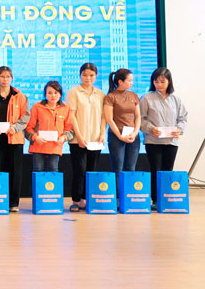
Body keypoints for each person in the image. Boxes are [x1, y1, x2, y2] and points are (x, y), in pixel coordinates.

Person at [0, 66, 29, 212]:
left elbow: (25, 116)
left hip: (14, 138)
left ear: (12, 78)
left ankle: (13, 203)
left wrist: (14, 128)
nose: (5, 79)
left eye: (8, 76)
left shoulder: (20, 96)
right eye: (2, 76)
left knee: (14, 171)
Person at [140, 67, 187, 209]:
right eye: (156, 81)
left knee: (168, 169)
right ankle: (155, 200)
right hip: (153, 141)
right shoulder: (147, 98)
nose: (159, 84)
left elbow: (183, 118)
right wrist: (150, 128)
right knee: (156, 169)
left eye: (162, 81)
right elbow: (141, 119)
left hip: (171, 141)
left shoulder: (176, 99)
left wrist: (179, 130)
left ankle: (167, 198)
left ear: (169, 82)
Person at [66, 63, 106, 212]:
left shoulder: (100, 94)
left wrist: (102, 134)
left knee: (91, 170)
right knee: (79, 170)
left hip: (95, 139)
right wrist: (79, 136)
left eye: (91, 75)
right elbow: (72, 116)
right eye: (85, 75)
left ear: (96, 76)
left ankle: (88, 198)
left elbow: (103, 117)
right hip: (78, 140)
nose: (88, 78)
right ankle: (76, 200)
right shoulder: (74, 92)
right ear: (80, 75)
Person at [25, 81, 73, 173]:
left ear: (60, 94)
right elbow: (29, 127)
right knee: (38, 170)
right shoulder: (37, 107)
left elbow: (69, 128)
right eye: (50, 93)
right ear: (45, 94)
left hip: (55, 146)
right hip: (38, 145)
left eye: (56, 93)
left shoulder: (66, 108)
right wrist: (35, 137)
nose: (53, 95)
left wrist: (64, 137)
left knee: (53, 170)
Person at [104, 68, 141, 174]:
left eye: (132, 80)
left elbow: (138, 116)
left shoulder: (133, 95)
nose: (131, 83)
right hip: (117, 136)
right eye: (129, 81)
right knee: (118, 169)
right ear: (120, 81)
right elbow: (109, 119)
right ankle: (118, 191)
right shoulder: (110, 97)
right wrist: (119, 136)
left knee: (131, 168)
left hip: (132, 136)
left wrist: (134, 133)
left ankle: (128, 191)